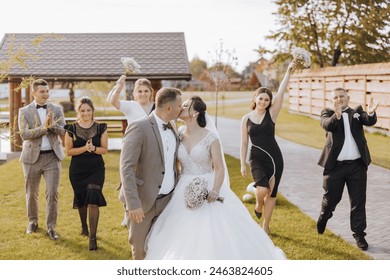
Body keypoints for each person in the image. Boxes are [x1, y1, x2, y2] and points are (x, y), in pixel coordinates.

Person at [144, 96, 285, 260]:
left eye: (185, 105)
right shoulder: (178, 133)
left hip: (209, 185)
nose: (180, 107)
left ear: (195, 113)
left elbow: (219, 168)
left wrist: (215, 190)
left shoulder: (211, 137)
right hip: (183, 186)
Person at [120, 87, 182, 260]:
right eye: (179, 105)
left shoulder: (174, 127)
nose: (181, 109)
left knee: (164, 248)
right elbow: (126, 168)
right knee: (140, 249)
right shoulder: (138, 127)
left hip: (168, 201)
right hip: (143, 201)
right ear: (169, 108)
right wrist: (133, 203)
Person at [316, 87, 378, 251]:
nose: (339, 99)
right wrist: (336, 115)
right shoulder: (327, 113)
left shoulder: (356, 112)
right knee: (331, 199)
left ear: (348, 97)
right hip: (335, 167)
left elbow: (368, 120)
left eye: (341, 96)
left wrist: (371, 113)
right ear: (332, 100)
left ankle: (359, 235)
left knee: (358, 202)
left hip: (357, 166)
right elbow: (327, 125)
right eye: (335, 97)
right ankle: (324, 215)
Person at [240, 61, 296, 234]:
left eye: (266, 99)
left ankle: (266, 224)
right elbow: (243, 143)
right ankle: (258, 203)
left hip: (274, 158)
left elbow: (281, 93)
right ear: (255, 99)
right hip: (256, 158)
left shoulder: (272, 114)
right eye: (261, 98)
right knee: (262, 189)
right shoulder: (246, 119)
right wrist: (242, 163)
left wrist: (288, 72)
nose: (263, 101)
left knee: (272, 194)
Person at [18, 78, 65, 240]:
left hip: (53, 157)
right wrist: (43, 128)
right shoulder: (24, 111)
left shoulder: (57, 109)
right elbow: (24, 134)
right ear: (34, 93)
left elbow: (63, 131)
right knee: (31, 193)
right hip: (31, 158)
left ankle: (51, 227)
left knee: (52, 192)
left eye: (47, 91)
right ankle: (32, 221)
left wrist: (52, 125)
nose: (46, 94)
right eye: (42, 92)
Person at [107, 75, 155, 227]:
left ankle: (150, 210)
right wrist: (118, 88)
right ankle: (127, 211)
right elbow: (113, 102)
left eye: (146, 91)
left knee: (148, 180)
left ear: (151, 92)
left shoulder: (156, 107)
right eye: (139, 91)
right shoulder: (130, 106)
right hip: (133, 149)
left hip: (152, 149)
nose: (143, 94)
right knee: (129, 180)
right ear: (134, 93)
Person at [64, 97, 108, 251]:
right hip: (77, 170)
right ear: (79, 111)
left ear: (92, 111)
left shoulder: (101, 127)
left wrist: (94, 149)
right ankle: (84, 227)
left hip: (96, 169)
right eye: (82, 110)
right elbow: (68, 151)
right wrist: (84, 148)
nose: (86, 113)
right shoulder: (71, 129)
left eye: (88, 110)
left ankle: (93, 238)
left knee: (93, 198)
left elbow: (104, 149)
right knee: (82, 199)